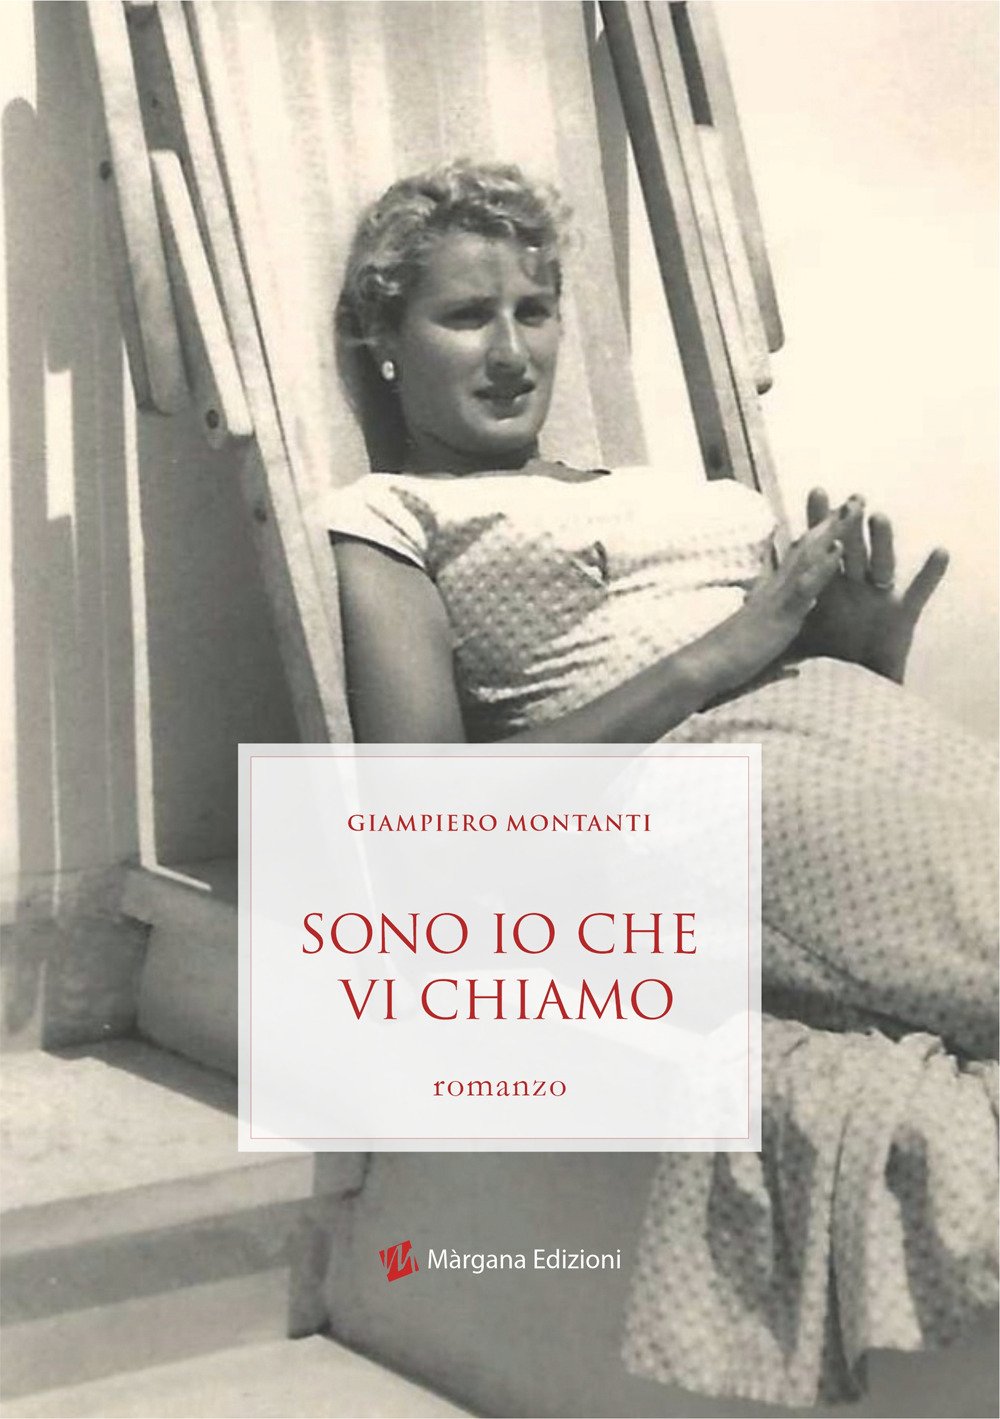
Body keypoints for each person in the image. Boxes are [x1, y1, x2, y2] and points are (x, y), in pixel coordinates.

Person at [328, 159, 996, 1060]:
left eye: (534, 311)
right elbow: (427, 818)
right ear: (385, 336)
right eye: (468, 316)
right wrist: (719, 655)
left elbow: (786, 678)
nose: (512, 353)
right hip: (698, 803)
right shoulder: (392, 517)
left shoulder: (664, 489)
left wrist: (862, 656)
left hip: (866, 749)